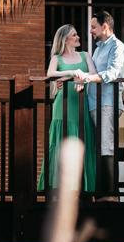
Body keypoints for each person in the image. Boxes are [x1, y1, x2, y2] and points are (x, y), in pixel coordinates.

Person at [38, 24, 97, 192]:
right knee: (61, 141)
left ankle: (82, 186)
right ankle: (59, 186)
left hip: (80, 104)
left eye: (77, 34)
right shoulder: (57, 58)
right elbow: (50, 74)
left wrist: (82, 76)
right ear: (65, 40)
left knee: (81, 140)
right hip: (62, 105)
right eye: (74, 35)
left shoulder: (85, 55)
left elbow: (93, 74)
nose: (78, 37)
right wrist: (72, 72)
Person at [81, 11, 124, 202]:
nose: (91, 31)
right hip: (93, 104)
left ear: (104, 27)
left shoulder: (117, 47)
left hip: (106, 103)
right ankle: (97, 194)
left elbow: (113, 73)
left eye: (93, 27)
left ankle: (110, 196)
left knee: (106, 147)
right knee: (97, 148)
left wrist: (88, 78)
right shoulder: (98, 49)